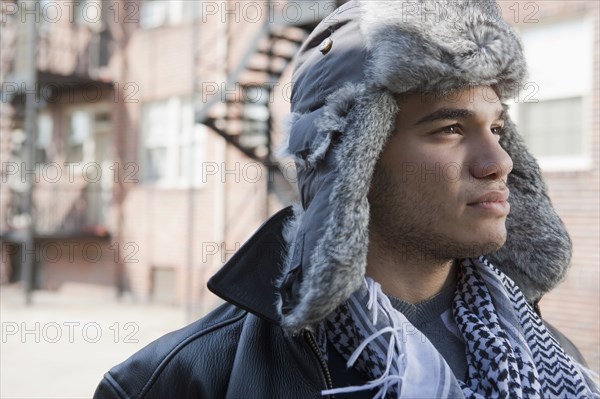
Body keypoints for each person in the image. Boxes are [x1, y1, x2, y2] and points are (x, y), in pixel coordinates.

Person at [94, 1, 599, 398]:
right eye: (449, 128)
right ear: (352, 161)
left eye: (497, 128)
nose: (499, 161)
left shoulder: (551, 358)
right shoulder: (186, 380)